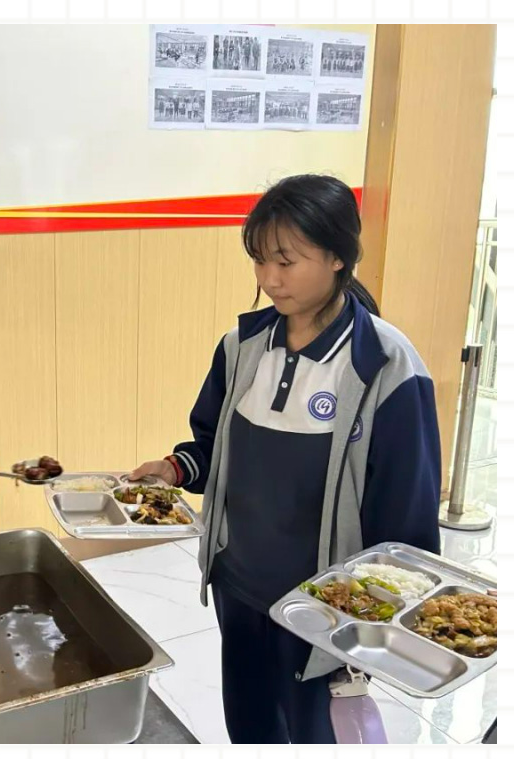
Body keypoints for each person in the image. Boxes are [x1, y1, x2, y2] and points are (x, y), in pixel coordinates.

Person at [130, 174, 441, 744]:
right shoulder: (243, 346)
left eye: (286, 261)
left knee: (314, 731)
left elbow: (406, 510)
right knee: (249, 726)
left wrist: (383, 620)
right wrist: (174, 470)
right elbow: (211, 443)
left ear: (338, 258)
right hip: (239, 584)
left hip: (325, 606)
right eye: (259, 261)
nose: (269, 279)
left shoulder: (386, 366)